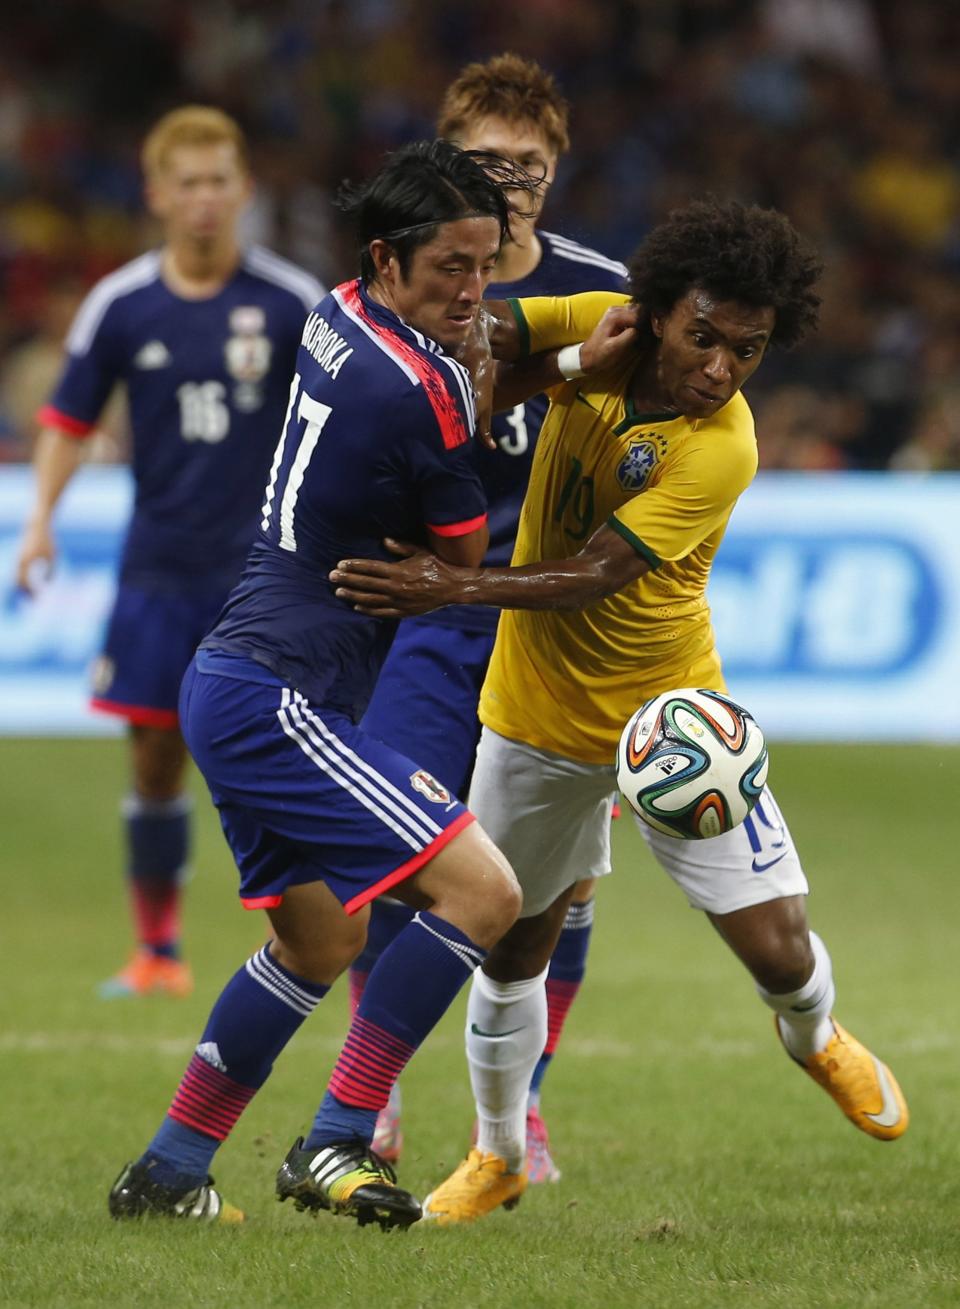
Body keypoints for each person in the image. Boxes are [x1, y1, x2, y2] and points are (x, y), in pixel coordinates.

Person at [329, 196, 911, 1225]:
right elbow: (481, 344)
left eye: (749, 349)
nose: (723, 367)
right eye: (705, 337)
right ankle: (499, 1153)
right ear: (657, 311)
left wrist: (449, 587)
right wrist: (535, 354)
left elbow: (593, 575)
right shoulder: (602, 315)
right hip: (536, 717)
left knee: (777, 950)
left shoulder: (723, 446)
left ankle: (815, 1032)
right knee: (513, 945)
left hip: (672, 724)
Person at [101, 138, 596, 1230]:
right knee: (489, 893)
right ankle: (333, 1141)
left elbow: (456, 397)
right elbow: (461, 562)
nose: (472, 291)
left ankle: (172, 1166)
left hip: (241, 677)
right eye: (447, 272)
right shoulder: (413, 391)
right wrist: (561, 374)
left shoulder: (336, 312)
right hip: (279, 696)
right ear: (388, 257)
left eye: (482, 265)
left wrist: (539, 368)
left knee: (318, 941)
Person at [350, 53, 629, 1185]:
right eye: (484, 160)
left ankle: (526, 1110)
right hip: (433, 612)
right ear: (444, 158)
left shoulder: (607, 287)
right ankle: (370, 1103)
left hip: (554, 626)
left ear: (555, 174)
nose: (508, 180)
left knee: (559, 883)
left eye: (528, 163)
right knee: (397, 842)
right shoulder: (412, 280)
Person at [14, 107, 325, 999]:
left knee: (288, 754)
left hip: (269, 575)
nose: (203, 199)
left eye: (217, 180)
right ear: (156, 195)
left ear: (244, 190)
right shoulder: (124, 303)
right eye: (185, 183)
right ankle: (157, 950)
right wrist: (39, 520)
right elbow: (68, 422)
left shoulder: (292, 301)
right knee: (153, 756)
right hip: (158, 567)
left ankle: (321, 937)